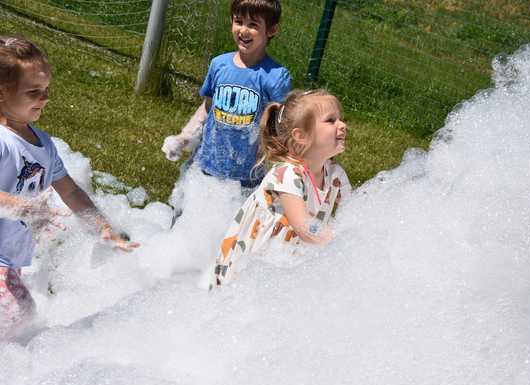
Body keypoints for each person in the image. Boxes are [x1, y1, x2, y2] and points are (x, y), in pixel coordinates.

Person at [0, 36, 138, 339]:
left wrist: (102, 226)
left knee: (18, 319)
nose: (44, 97)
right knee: (18, 315)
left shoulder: (43, 145)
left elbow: (71, 191)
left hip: (10, 258)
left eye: (46, 89)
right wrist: (20, 207)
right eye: (33, 91)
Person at [162, 0, 291, 218]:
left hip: (246, 178)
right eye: (238, 21)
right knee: (185, 228)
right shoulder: (219, 65)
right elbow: (207, 108)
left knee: (228, 238)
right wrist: (185, 136)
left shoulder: (276, 76)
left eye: (253, 24)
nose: (243, 30)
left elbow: (280, 126)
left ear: (272, 30)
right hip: (204, 166)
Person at [209, 89, 351, 287]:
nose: (342, 125)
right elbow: (303, 225)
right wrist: (343, 244)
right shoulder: (287, 174)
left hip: (288, 262)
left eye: (340, 119)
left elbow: (356, 211)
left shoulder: (335, 176)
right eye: (331, 120)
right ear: (300, 136)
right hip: (253, 266)